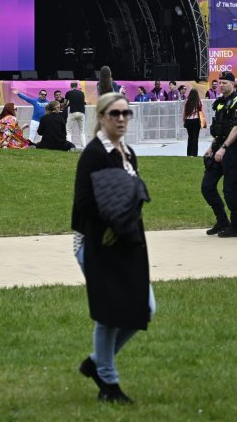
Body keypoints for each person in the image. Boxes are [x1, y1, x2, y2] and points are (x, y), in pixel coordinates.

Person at [72, 92, 154, 404]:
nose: (121, 119)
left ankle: (95, 362)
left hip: (128, 240)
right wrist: (114, 214)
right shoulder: (94, 154)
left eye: (125, 113)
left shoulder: (128, 152)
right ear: (102, 117)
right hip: (96, 242)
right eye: (114, 113)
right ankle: (108, 382)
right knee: (109, 314)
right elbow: (83, 204)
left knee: (145, 307)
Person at [201, 71, 237, 238]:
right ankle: (222, 220)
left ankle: (235, 227)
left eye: (224, 83)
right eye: (219, 83)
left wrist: (224, 148)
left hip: (232, 151)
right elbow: (220, 128)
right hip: (219, 147)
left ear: (233, 84)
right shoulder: (220, 102)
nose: (221, 85)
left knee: (230, 189)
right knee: (207, 187)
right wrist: (213, 146)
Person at [182, 88, 205, 157]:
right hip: (196, 120)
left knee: (190, 137)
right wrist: (202, 123)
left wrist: (184, 121)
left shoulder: (186, 101)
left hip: (188, 120)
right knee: (195, 137)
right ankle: (194, 154)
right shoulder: (199, 102)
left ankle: (189, 153)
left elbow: (184, 112)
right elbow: (201, 113)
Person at [65, 82, 86, 149]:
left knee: (68, 130)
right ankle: (84, 146)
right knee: (82, 131)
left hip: (73, 112)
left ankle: (69, 147)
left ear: (70, 86)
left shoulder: (68, 93)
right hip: (82, 113)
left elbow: (65, 103)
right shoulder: (82, 93)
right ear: (77, 86)